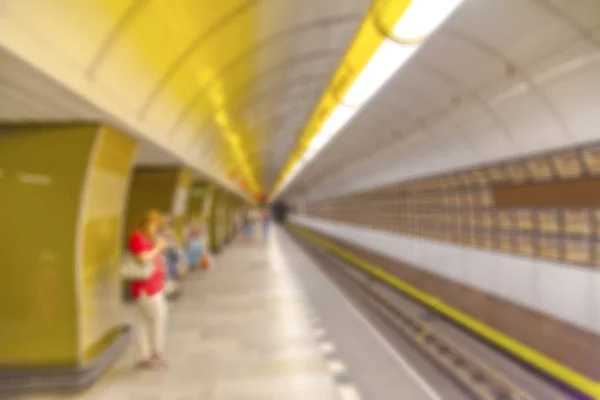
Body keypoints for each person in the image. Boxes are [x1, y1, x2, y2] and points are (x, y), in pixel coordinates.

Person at [127, 209, 169, 368]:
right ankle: (156, 353)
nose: (155, 228)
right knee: (159, 318)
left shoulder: (148, 237)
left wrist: (157, 238)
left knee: (143, 321)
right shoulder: (137, 238)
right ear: (146, 224)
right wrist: (157, 248)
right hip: (146, 287)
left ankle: (143, 355)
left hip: (154, 285)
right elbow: (142, 259)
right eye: (154, 225)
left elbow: (160, 246)